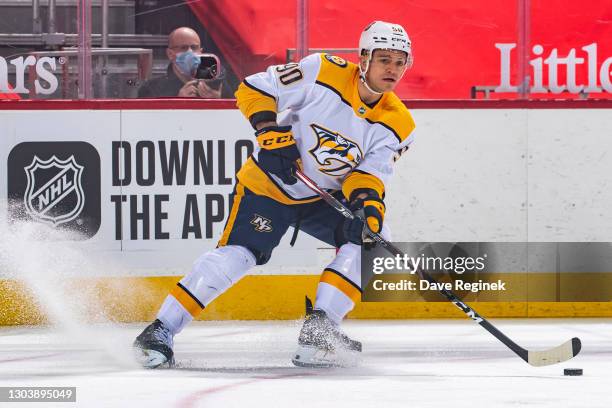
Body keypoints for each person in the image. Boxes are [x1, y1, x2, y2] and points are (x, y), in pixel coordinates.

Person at [134, 20, 416, 368]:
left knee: (374, 238)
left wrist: (367, 209)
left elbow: (368, 176)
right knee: (240, 253)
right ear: (363, 57)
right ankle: (160, 330)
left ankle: (320, 329)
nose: (392, 69)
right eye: (384, 59)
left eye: (400, 61)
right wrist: (269, 133)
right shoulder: (323, 70)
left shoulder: (400, 124)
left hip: (319, 198)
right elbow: (253, 89)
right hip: (269, 185)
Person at [138, 27, 229, 98]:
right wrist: (178, 102)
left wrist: (218, 100)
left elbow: (235, 116)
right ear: (170, 54)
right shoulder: (151, 88)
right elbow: (149, 120)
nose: (190, 52)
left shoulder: (216, 82)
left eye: (194, 47)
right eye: (183, 48)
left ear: (201, 52)